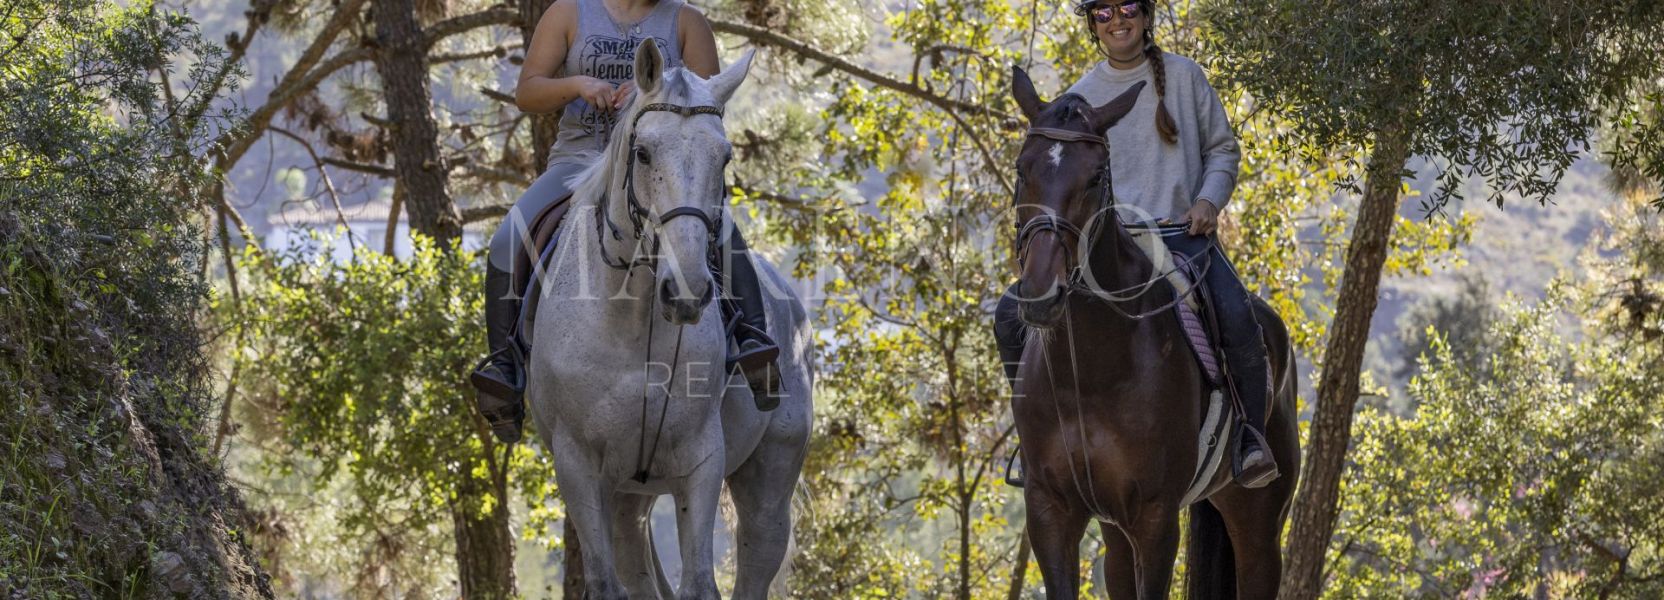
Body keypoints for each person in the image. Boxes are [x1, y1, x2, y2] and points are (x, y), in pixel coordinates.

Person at [470, 0, 782, 444]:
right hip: (580, 161)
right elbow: (528, 92)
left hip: (662, 168)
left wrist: (648, 103)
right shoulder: (570, 12)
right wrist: (578, 84)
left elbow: (709, 105)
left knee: (722, 231)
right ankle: (505, 369)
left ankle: (753, 343)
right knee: (506, 240)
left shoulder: (688, 22)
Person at [998, 0, 1278, 488]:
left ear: (1146, 16)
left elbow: (1223, 150)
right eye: (1102, 13)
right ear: (1093, 26)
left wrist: (1208, 202)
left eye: (1127, 6)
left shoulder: (1185, 77)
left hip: (1182, 236)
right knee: (1008, 315)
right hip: (1109, 246)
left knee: (1236, 312)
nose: (1117, 19)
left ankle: (1249, 439)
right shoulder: (1080, 96)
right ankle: (1034, 440)